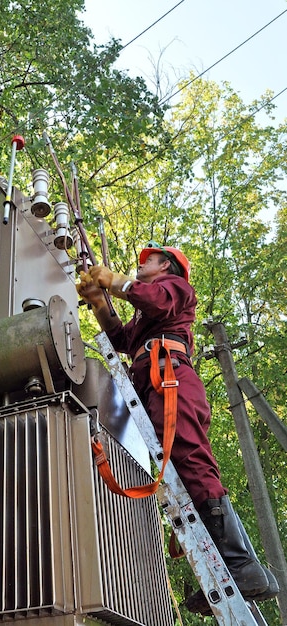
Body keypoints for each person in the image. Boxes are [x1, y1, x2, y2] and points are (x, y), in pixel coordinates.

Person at [76, 241, 278, 614]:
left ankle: (238, 563)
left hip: (171, 379)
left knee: (190, 461)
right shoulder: (149, 319)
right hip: (158, 382)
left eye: (147, 261)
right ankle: (237, 568)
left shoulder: (177, 290)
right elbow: (123, 340)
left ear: (166, 266)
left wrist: (115, 282)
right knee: (186, 472)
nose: (140, 266)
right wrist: (99, 300)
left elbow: (153, 299)